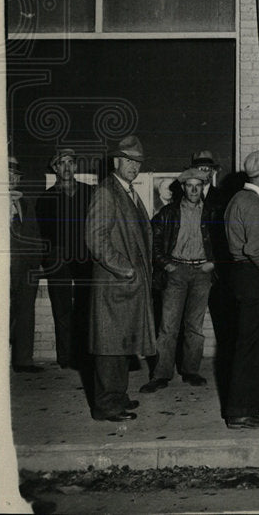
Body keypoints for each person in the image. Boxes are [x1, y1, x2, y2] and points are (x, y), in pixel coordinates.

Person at [84, 136, 156, 421]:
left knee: (121, 345)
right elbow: (95, 238)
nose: (134, 167)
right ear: (116, 162)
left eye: (137, 162)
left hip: (128, 287)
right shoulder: (106, 192)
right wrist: (124, 269)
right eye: (128, 161)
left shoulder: (126, 191)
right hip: (115, 284)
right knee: (109, 347)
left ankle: (118, 395)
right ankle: (106, 405)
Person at [221, 150, 259, 429]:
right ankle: (239, 411)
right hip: (253, 275)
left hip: (244, 275)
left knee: (256, 343)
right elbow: (255, 248)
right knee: (249, 345)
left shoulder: (239, 199)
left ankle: (255, 403)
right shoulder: (253, 203)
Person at [142, 168, 216, 392]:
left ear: (203, 187)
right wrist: (166, 264)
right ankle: (161, 374)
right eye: (189, 185)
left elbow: (225, 240)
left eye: (198, 185)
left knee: (194, 326)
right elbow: (151, 243)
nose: (194, 189)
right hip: (176, 272)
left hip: (202, 272)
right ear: (183, 188)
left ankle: (191, 371)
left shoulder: (213, 212)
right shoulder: (168, 213)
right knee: (168, 326)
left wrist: (214, 262)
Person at [37, 148, 95, 370]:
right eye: (62, 163)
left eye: (71, 162)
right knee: (61, 308)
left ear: (76, 166)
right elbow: (44, 235)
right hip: (59, 260)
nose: (67, 167)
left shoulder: (90, 193)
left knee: (85, 306)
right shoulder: (46, 198)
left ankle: (84, 355)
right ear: (55, 168)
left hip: (84, 258)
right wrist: (49, 259)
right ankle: (66, 357)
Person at [9, 154, 44, 374]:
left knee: (25, 314)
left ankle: (23, 361)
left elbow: (34, 235)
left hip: (26, 269)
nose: (11, 179)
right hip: (2, 270)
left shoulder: (24, 202)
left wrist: (37, 263)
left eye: (15, 176)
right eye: (7, 175)